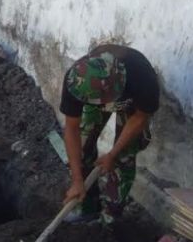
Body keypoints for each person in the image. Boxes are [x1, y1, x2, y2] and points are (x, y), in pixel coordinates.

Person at [61, 44, 159, 227]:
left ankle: (111, 216)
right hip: (96, 93)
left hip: (131, 105)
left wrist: (112, 154)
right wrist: (77, 179)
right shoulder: (76, 81)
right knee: (81, 147)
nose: (107, 105)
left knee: (123, 156)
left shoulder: (142, 78)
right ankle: (88, 207)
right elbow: (71, 129)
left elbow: (139, 118)